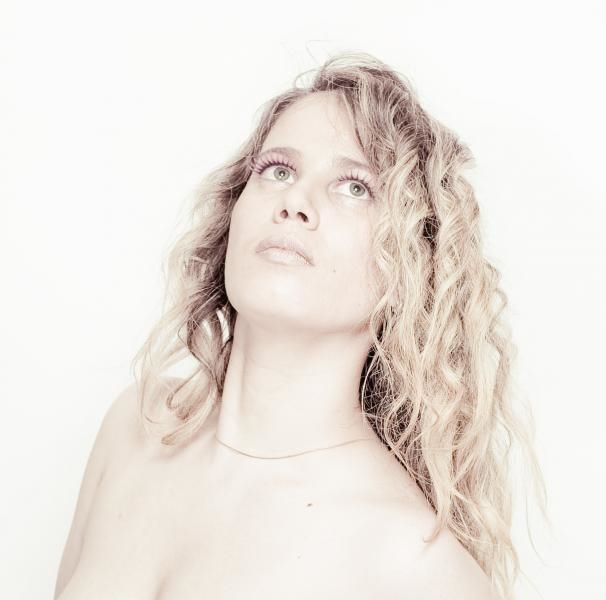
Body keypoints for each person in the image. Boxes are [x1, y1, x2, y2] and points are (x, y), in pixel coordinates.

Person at [53, 51, 545, 600]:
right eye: (279, 170)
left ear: (413, 264)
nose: (295, 201)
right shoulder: (136, 424)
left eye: (355, 186)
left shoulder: (417, 567)